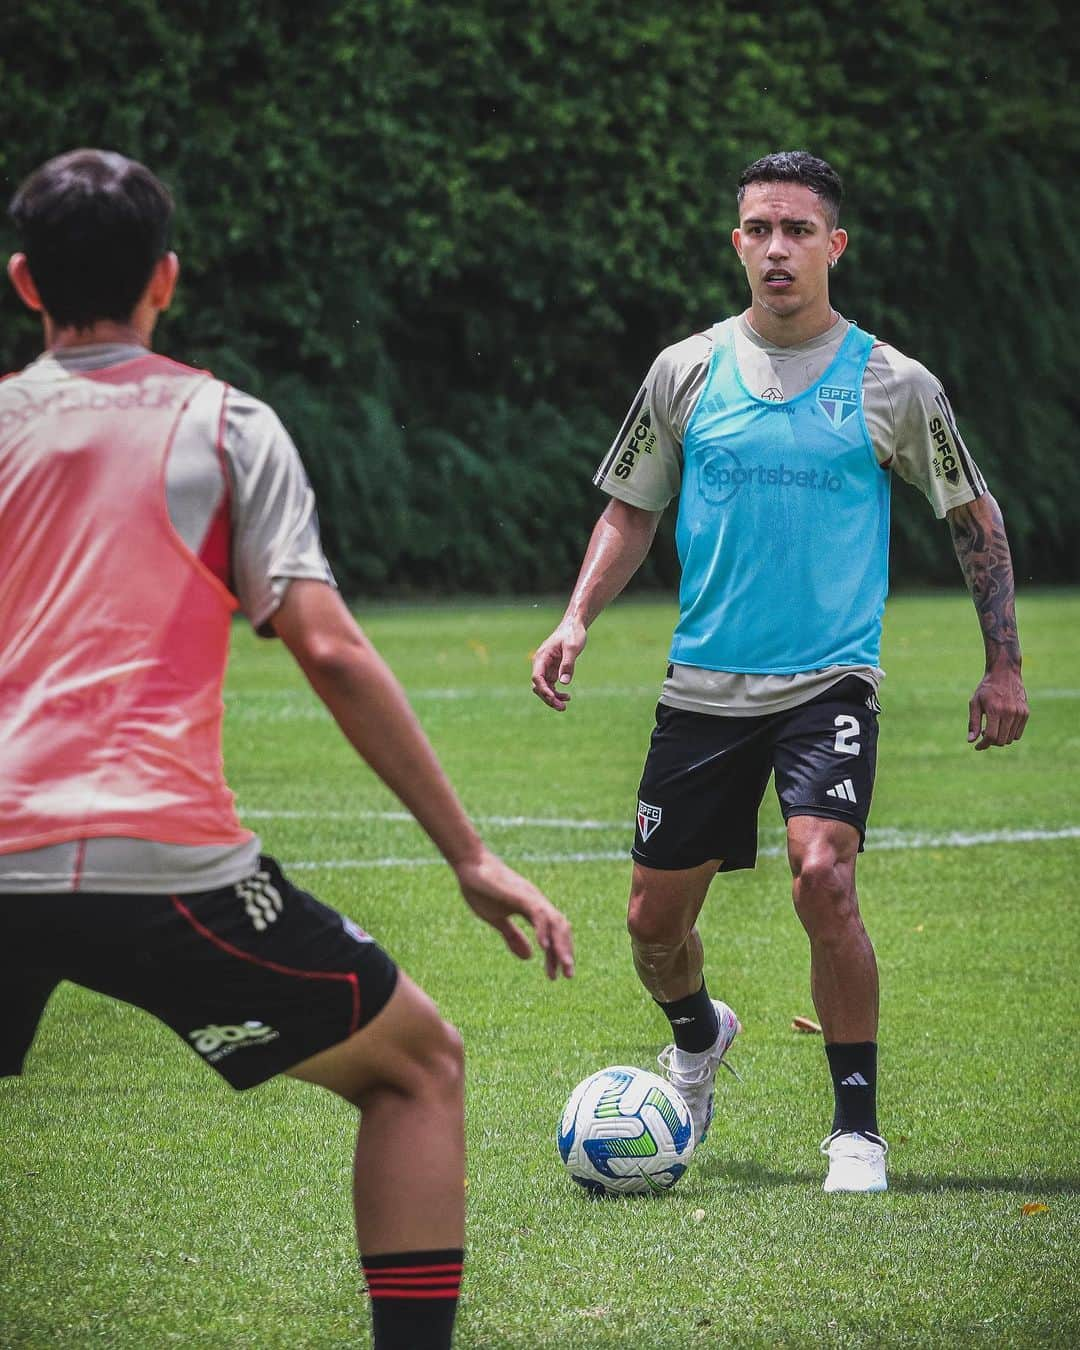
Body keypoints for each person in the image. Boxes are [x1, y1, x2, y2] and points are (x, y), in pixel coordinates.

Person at [0, 148, 574, 1350]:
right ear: (167, 279)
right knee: (417, 1066)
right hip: (159, 860)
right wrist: (469, 855)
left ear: (22, 282)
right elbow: (330, 649)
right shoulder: (225, 425)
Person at [531, 150, 1027, 1194]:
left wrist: (1003, 666)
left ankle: (856, 1131)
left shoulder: (892, 382)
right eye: (759, 228)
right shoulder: (686, 370)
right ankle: (697, 1036)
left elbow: (974, 519)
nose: (777, 248)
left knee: (823, 874)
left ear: (834, 246)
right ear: (737, 244)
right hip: (703, 686)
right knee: (652, 928)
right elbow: (631, 508)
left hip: (828, 682)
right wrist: (576, 619)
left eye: (799, 230)